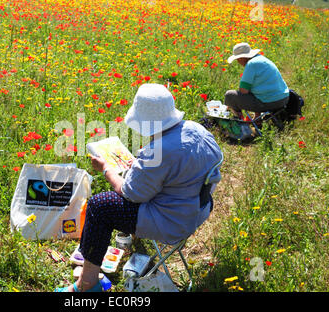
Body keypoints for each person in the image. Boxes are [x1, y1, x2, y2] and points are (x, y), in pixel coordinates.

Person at [54, 83, 223, 292]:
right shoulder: (197, 129)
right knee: (115, 201)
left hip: (172, 221)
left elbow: (131, 194)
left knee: (99, 206)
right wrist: (141, 167)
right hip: (199, 207)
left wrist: (106, 168)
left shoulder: (159, 150)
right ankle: (109, 256)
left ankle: (87, 284)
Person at [224, 43, 289, 120]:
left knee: (230, 95)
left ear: (242, 57)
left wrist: (231, 103)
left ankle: (239, 119)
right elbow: (259, 86)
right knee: (252, 90)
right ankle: (257, 117)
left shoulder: (251, 65)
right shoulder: (262, 59)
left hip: (270, 102)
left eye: (238, 59)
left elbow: (243, 91)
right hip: (283, 99)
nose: (238, 61)